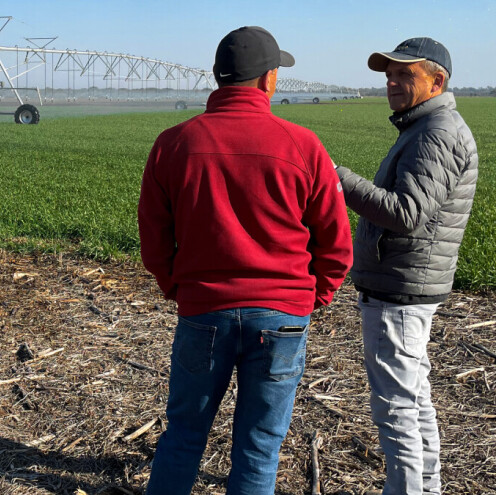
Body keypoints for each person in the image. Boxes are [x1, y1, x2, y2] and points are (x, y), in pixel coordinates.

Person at [138, 26, 353, 494]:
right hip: (282, 316)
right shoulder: (304, 146)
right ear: (268, 79)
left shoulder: (173, 144)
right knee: (259, 446)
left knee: (183, 438)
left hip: (203, 312)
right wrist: (315, 295)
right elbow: (336, 244)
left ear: (218, 77)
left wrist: (177, 286)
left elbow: (154, 239)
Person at [334, 37, 478, 495]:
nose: (392, 83)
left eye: (404, 75)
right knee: (414, 400)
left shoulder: (436, 131)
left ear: (437, 81)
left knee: (396, 408)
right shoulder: (426, 127)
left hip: (400, 290)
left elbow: (404, 213)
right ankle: (427, 488)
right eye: (389, 75)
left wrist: (337, 179)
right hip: (407, 284)